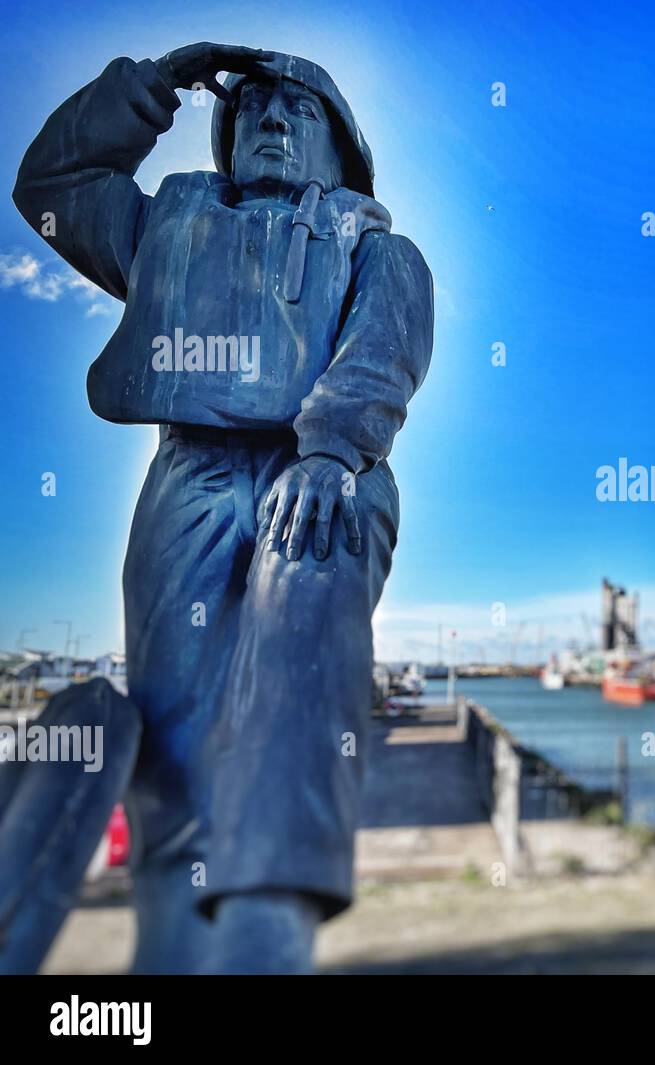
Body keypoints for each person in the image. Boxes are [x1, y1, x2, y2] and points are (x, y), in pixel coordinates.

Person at [13, 43, 434, 973]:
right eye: (252, 108)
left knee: (299, 647)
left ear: (340, 152)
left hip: (323, 468)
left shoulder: (375, 247)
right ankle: (173, 942)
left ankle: (269, 915)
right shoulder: (167, 226)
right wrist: (159, 77)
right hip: (187, 482)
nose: (273, 120)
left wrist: (330, 449)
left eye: (300, 109)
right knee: (175, 726)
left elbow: (383, 351)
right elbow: (52, 179)